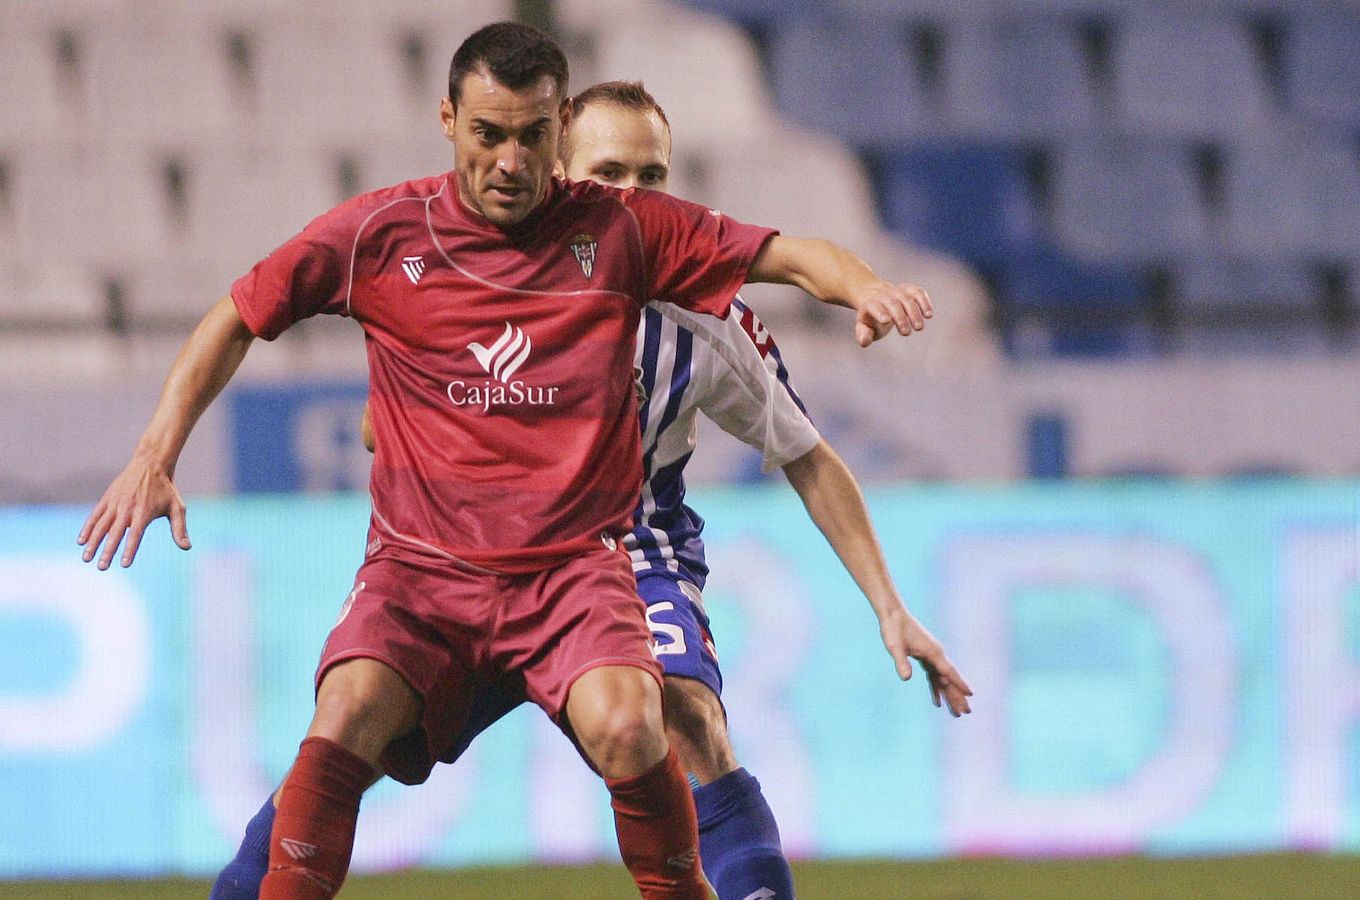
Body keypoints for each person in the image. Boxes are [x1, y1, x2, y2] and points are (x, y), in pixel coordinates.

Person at [77, 22, 932, 900]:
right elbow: (239, 313)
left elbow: (785, 255)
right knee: (343, 722)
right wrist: (155, 453)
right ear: (448, 120)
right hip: (423, 574)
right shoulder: (379, 233)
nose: (511, 162)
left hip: (575, 571)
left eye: (532, 136)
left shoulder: (627, 234)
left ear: (559, 131)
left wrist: (863, 286)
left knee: (642, 722)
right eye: (489, 134)